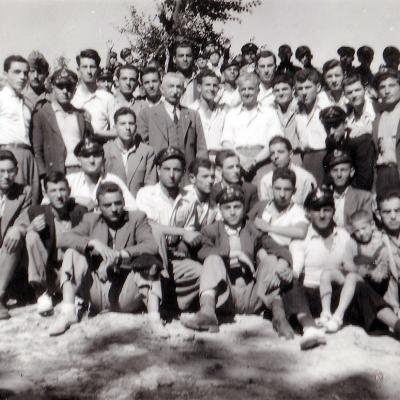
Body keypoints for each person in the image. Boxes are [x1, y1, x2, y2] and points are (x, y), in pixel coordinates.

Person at [48, 181, 163, 336]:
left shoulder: (137, 218)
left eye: (118, 203)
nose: (114, 209)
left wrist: (120, 255)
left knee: (148, 259)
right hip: (98, 290)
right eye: (107, 205)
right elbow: (64, 239)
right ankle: (68, 312)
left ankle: (154, 318)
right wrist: (92, 243)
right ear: (98, 207)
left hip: (126, 292)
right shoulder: (91, 220)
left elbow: (151, 245)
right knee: (72, 253)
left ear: (124, 201)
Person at [288, 187, 400, 346]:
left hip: (339, 298)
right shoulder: (301, 239)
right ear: (308, 213)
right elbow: (296, 267)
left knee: (358, 284)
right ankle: (310, 329)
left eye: (327, 210)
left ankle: (397, 325)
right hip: (312, 297)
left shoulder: (343, 235)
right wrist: (293, 273)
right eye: (317, 210)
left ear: (333, 211)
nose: (322, 215)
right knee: (291, 285)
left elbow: (357, 257)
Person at [180, 184, 292, 334]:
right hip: (225, 295)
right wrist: (233, 254)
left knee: (271, 259)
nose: (232, 212)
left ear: (244, 207)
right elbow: (202, 251)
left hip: (253, 295)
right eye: (227, 208)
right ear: (220, 210)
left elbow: (281, 250)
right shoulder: (211, 230)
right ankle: (207, 313)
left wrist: (279, 268)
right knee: (213, 259)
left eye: (237, 207)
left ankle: (279, 317)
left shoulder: (253, 229)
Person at [136, 147, 203, 312]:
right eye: (166, 169)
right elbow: (149, 226)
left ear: (183, 173)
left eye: (177, 170)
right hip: (150, 254)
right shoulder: (146, 194)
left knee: (201, 273)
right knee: (156, 235)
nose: (171, 175)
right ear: (158, 170)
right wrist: (182, 233)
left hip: (174, 256)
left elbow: (190, 232)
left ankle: (171, 302)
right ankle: (158, 298)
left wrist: (183, 244)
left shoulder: (189, 199)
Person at [26, 171, 87, 315]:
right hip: (50, 273)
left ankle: (75, 292)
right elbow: (21, 229)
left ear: (69, 191)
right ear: (45, 193)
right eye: (53, 191)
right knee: (31, 236)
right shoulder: (37, 212)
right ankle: (42, 293)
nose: (59, 195)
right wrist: (31, 227)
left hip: (74, 272)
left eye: (62, 190)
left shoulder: (80, 212)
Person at [319, 209, 391, 333]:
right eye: (357, 230)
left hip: (371, 283)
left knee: (351, 277)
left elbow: (381, 270)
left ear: (372, 225)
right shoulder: (353, 242)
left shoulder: (380, 245)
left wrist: (370, 268)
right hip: (356, 273)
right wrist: (357, 268)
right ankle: (326, 312)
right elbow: (346, 262)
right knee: (327, 273)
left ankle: (338, 316)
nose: (361, 233)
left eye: (364, 228)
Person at [221, 72, 283, 183]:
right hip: (237, 162)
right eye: (243, 89)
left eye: (250, 89)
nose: (246, 93)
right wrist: (241, 159)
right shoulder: (231, 114)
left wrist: (255, 160)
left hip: (263, 161)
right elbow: (226, 142)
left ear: (258, 91)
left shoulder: (270, 113)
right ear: (239, 92)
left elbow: (275, 141)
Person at [31, 68, 93, 179]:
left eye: (69, 87)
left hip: (81, 171)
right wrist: (43, 176)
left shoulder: (81, 115)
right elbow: (37, 151)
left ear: (74, 90)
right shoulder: (42, 114)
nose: (65, 91)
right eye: (60, 87)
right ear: (53, 88)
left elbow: (89, 145)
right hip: (55, 174)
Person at [137, 72, 207, 168]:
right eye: (170, 86)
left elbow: (201, 148)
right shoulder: (147, 114)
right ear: (162, 89)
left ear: (183, 90)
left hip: (187, 174)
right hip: (159, 173)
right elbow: (143, 149)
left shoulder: (193, 115)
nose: (174, 91)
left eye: (178, 87)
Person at [0, 55, 41, 204]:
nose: (23, 77)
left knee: (33, 201)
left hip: (28, 156)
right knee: (12, 203)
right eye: (17, 72)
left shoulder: (27, 103)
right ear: (5, 74)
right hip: (7, 156)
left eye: (25, 72)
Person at [0, 150, 32, 319]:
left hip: (6, 254)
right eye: (1, 171)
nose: (6, 176)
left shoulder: (24, 192)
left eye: (10, 171)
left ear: (17, 171)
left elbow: (25, 219)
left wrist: (18, 229)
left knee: (15, 238)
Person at [67, 137, 137, 211]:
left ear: (103, 160)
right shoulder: (70, 181)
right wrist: (74, 200)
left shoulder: (113, 181)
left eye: (96, 155)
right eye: (86, 156)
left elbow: (133, 208)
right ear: (79, 161)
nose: (92, 161)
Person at [320, 104, 375, 191]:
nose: (331, 132)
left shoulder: (360, 140)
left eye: (335, 126)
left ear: (345, 123)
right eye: (327, 127)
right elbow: (328, 169)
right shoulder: (330, 140)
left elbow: (364, 178)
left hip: (362, 190)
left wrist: (344, 193)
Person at [104, 107, 156, 197]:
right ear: (115, 127)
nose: (127, 128)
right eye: (123, 124)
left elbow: (150, 185)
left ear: (135, 127)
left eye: (131, 123)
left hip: (139, 204)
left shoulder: (147, 152)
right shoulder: (105, 150)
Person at [259, 136, 316, 206]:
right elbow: (265, 208)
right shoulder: (266, 180)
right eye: (272, 153)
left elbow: (311, 208)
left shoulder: (305, 178)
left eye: (280, 152)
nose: (275, 156)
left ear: (291, 154)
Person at [294, 68, 328, 185]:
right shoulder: (298, 112)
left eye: (308, 87)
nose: (304, 92)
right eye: (300, 88)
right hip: (306, 158)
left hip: (324, 157)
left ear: (318, 87)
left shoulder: (326, 108)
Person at [324, 149, 372, 231]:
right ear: (329, 173)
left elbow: (365, 227)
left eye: (343, 170)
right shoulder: (323, 196)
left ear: (352, 172)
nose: (339, 175)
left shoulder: (363, 197)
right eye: (335, 170)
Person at [72, 49, 115, 139]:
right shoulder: (71, 97)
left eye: (92, 67)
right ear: (78, 70)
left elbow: (117, 131)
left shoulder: (108, 98)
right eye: (84, 67)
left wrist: (95, 132)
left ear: (98, 69)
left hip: (100, 149)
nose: (89, 71)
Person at [372, 69, 400, 194]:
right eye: (382, 87)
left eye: (392, 85)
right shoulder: (377, 118)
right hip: (383, 175)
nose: (387, 91)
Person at [189, 69, 226, 157]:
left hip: (219, 160)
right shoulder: (190, 111)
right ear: (199, 87)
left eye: (215, 85)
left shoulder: (223, 112)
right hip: (198, 159)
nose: (212, 89)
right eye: (208, 85)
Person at [211, 150, 258, 216]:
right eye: (230, 167)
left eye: (237, 166)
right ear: (219, 170)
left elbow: (253, 218)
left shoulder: (250, 190)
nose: (236, 170)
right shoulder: (212, 191)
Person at [270, 73, 301, 160]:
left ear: (293, 90)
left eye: (285, 89)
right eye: (277, 90)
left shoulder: (301, 106)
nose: (281, 93)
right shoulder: (271, 110)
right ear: (273, 92)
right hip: (276, 157)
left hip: (296, 155)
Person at [172, 41, 198, 107]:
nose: (185, 59)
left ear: (193, 58)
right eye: (181, 56)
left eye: (188, 56)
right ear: (174, 59)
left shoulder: (199, 80)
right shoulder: (169, 82)